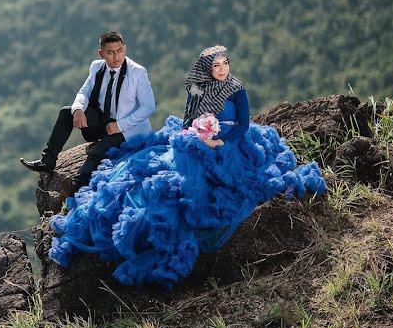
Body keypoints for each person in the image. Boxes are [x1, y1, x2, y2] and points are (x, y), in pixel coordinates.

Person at [48, 45, 327, 289]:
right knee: (168, 174)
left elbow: (242, 125)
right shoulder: (198, 90)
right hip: (199, 142)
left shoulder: (236, 90)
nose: (221, 69)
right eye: (215, 66)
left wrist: (220, 139)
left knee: (220, 186)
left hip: (232, 146)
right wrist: (197, 134)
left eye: (224, 64)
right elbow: (187, 121)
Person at [20, 31, 156, 198]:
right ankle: (47, 161)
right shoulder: (96, 67)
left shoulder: (138, 72)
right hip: (103, 122)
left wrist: (120, 126)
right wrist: (77, 110)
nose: (116, 56)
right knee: (66, 112)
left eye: (119, 50)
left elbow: (148, 107)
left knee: (99, 150)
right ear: (101, 53)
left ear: (125, 49)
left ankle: (76, 186)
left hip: (128, 128)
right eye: (110, 52)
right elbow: (84, 92)